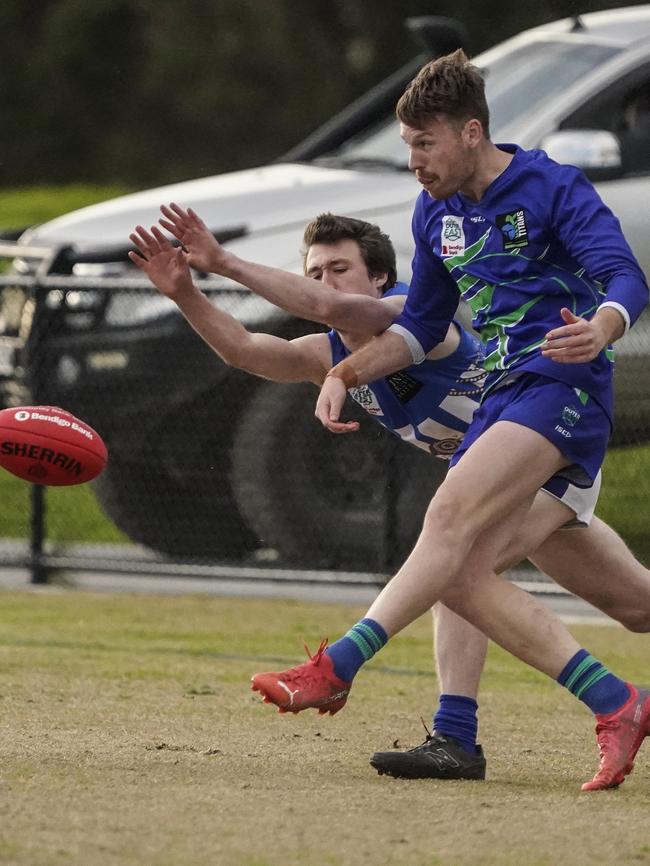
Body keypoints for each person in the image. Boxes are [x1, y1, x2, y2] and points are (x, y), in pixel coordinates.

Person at [128, 205, 650, 787]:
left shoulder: (412, 313)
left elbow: (337, 311)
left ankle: (455, 727)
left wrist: (222, 261)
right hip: (509, 481)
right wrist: (185, 294)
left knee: (453, 567)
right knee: (637, 607)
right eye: (315, 271)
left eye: (340, 268)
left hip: (544, 447)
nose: (324, 283)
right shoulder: (329, 353)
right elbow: (246, 350)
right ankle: (476, 731)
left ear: (379, 277)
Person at [247, 50, 650, 792]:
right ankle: (611, 703)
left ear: (471, 132)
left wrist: (604, 325)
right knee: (486, 578)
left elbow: (626, 275)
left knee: (447, 522)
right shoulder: (435, 213)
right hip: (509, 398)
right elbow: (421, 324)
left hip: (565, 382)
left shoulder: (552, 186)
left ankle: (336, 667)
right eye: (406, 146)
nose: (414, 161)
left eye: (423, 143)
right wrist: (342, 371)